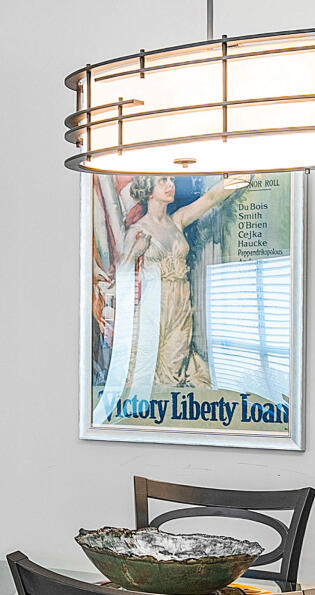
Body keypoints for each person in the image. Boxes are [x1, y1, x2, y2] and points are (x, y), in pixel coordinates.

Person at [94, 172, 248, 423]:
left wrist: (240, 178)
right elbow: (121, 273)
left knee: (174, 365)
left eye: (172, 180)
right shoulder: (138, 230)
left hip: (180, 305)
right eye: (163, 181)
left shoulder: (177, 221)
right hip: (154, 307)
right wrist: (136, 252)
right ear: (149, 191)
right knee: (147, 368)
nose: (170, 185)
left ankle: (168, 426)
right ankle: (146, 426)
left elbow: (210, 198)